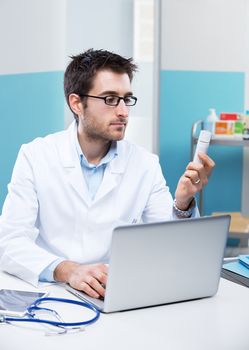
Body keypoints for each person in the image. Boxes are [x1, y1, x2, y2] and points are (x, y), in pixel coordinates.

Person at [0, 49, 214, 299]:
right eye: (110, 99)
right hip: (50, 291)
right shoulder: (36, 156)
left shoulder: (145, 164)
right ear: (76, 103)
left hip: (113, 293)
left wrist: (182, 202)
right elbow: (9, 243)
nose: (123, 111)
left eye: (127, 99)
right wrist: (68, 270)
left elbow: (170, 246)